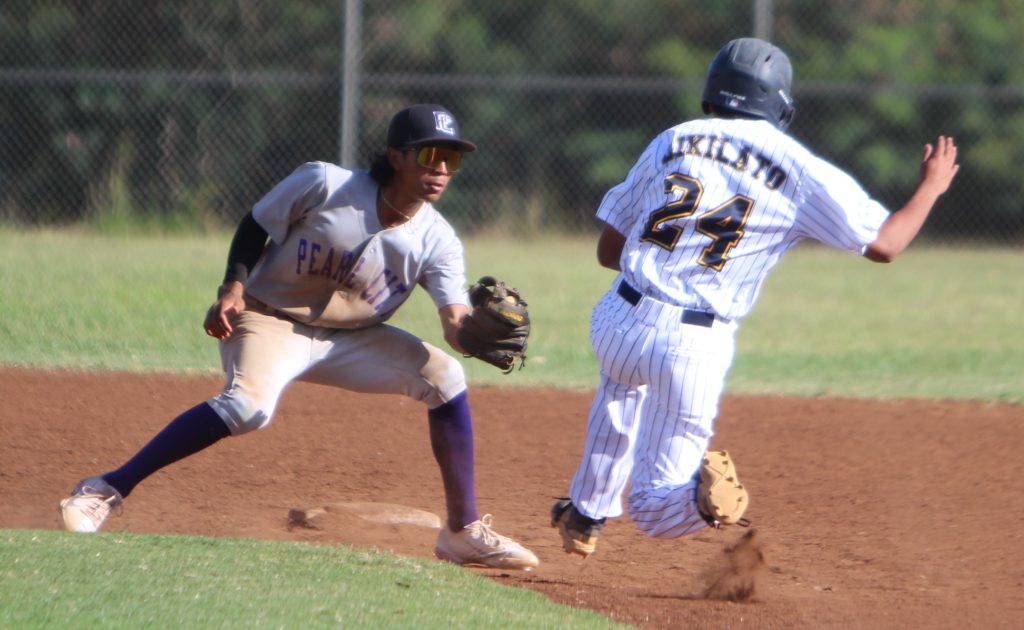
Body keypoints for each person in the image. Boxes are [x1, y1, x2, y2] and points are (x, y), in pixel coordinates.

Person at [59, 103, 540, 570]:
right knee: (248, 407)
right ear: (396, 156)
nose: (440, 169)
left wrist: (472, 337)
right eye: (428, 155)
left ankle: (462, 532)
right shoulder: (326, 183)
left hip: (352, 339)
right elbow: (255, 224)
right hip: (270, 319)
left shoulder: (438, 240)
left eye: (450, 159)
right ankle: (104, 489)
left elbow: (454, 321)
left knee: (446, 377)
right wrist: (232, 288)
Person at [551, 38, 960, 557]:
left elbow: (610, 247)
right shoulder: (797, 166)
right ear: (780, 103)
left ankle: (587, 512)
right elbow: (885, 244)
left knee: (622, 386)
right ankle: (705, 500)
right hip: (694, 344)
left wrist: (662, 261)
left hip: (619, 317)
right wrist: (932, 186)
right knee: (655, 508)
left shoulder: (673, 138)